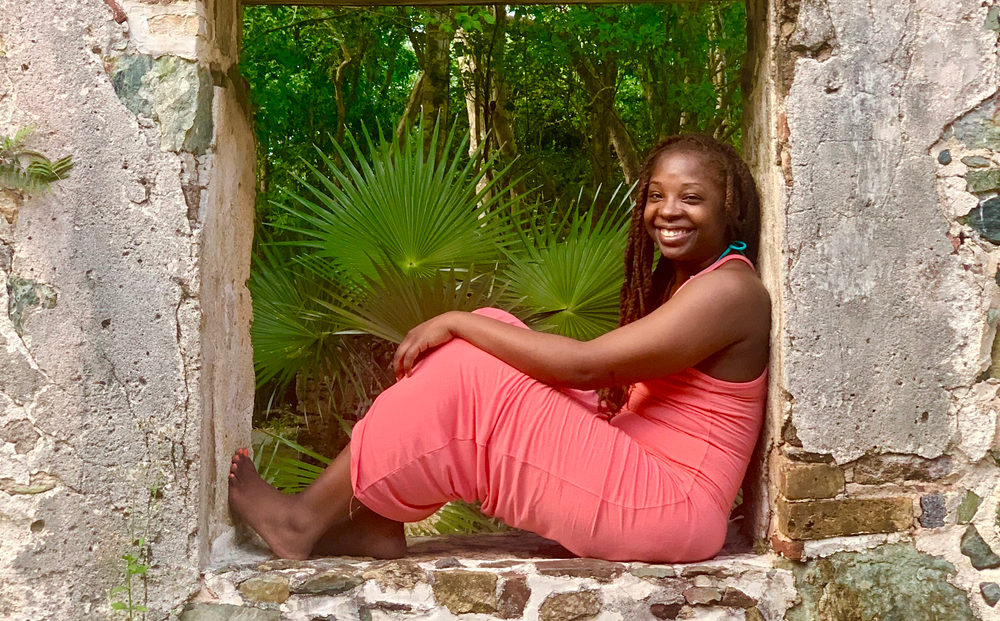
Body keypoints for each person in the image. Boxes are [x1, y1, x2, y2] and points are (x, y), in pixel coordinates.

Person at [229, 133, 771, 564]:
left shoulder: (729, 291)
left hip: (669, 503)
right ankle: (373, 522)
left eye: (692, 198)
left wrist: (456, 321)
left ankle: (300, 523)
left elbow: (586, 367)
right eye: (656, 195)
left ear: (733, 210)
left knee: (470, 360)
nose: (668, 211)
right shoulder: (696, 280)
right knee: (494, 327)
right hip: (644, 472)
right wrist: (474, 324)